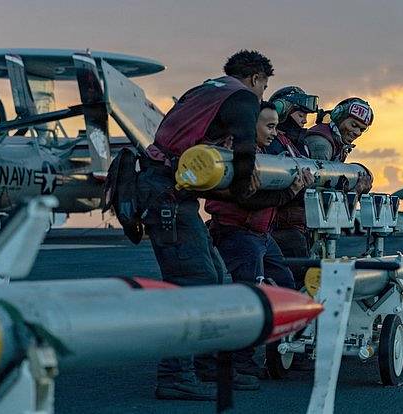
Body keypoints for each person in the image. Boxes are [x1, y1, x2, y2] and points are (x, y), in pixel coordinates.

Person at [138, 50, 274, 401]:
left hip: (165, 190)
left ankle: (206, 366)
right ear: (256, 79)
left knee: (215, 275)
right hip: (167, 194)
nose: (262, 96)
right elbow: (244, 150)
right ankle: (175, 376)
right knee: (192, 281)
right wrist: (245, 187)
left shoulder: (204, 90)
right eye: (263, 87)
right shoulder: (241, 96)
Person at [205, 101, 314, 377]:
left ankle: (282, 350)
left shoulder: (263, 155)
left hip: (260, 235)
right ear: (249, 126)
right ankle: (238, 362)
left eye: (276, 127)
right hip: (239, 234)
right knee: (249, 296)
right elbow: (248, 200)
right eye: (270, 126)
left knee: (286, 285)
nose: (274, 133)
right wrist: (290, 192)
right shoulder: (238, 155)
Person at [264, 86, 319, 287]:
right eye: (300, 115)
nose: (304, 121)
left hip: (296, 226)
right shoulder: (273, 144)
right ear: (283, 111)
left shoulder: (297, 144)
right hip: (281, 227)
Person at [304, 97, 374, 194]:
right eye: (354, 125)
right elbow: (316, 194)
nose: (357, 133)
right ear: (339, 116)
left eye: (362, 129)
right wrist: (355, 192)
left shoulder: (337, 143)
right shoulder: (322, 145)